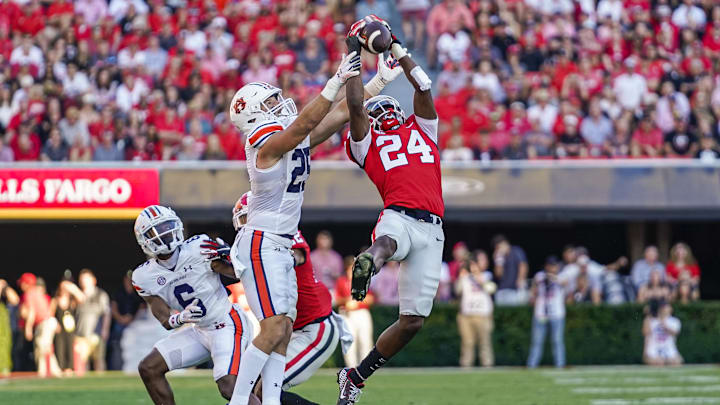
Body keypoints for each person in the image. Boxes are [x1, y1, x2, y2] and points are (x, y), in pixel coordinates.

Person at [227, 40, 402, 405]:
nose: (280, 104)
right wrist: (336, 78)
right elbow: (307, 121)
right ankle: (240, 400)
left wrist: (376, 84)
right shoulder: (262, 142)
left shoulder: (287, 139)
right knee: (275, 327)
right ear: (254, 116)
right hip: (262, 240)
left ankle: (270, 400)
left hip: (277, 240)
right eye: (271, 103)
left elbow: (337, 116)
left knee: (284, 329)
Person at [338, 16, 444, 404]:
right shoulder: (371, 142)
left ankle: (355, 376)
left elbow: (423, 85)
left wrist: (392, 45)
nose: (383, 115)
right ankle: (369, 260)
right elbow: (355, 106)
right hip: (399, 213)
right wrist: (364, 50)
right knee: (386, 241)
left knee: (412, 321)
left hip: (431, 229)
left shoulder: (420, 131)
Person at [232, 193, 353, 405]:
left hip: (315, 329)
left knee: (264, 390)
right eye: (243, 220)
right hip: (291, 331)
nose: (246, 227)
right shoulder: (255, 247)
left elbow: (296, 256)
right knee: (256, 387)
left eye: (249, 219)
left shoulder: (283, 233)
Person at [132, 205, 254, 404]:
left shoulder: (198, 248)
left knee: (229, 387)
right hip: (199, 331)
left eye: (167, 226)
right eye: (158, 230)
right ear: (145, 240)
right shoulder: (143, 277)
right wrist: (179, 318)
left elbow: (238, 274)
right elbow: (164, 318)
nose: (166, 233)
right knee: (149, 368)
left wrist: (232, 257)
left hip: (226, 321)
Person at [454, 254, 495, 368]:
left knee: (485, 343)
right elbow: (457, 291)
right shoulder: (465, 278)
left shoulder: (487, 275)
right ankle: (466, 365)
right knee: (467, 343)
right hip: (466, 315)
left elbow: (491, 289)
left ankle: (487, 365)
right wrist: (461, 276)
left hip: (483, 314)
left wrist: (478, 277)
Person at [527, 256, 566, 369]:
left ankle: (560, 364)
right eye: (550, 265)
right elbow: (533, 291)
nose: (552, 267)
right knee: (537, 341)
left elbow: (564, 283)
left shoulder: (561, 276)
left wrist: (552, 277)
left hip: (557, 314)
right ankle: (532, 365)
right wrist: (532, 297)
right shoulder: (539, 276)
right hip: (541, 313)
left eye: (554, 265)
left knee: (557, 340)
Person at [336, 257, 374, 369]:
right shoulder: (341, 281)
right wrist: (347, 300)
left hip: (362, 312)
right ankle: (351, 368)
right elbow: (337, 300)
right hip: (347, 314)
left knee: (365, 340)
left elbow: (371, 298)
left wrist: (356, 300)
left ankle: (365, 368)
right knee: (349, 342)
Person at [74, 268, 111, 374]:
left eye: (86, 279)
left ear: (93, 280)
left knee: (98, 362)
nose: (83, 281)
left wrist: (105, 330)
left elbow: (107, 314)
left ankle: (102, 387)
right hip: (80, 335)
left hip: (96, 335)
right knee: (81, 365)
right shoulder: (77, 296)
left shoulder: (101, 295)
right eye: (82, 279)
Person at [109, 271, 142, 370]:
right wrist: (121, 319)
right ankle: (117, 368)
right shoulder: (119, 292)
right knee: (116, 344)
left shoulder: (138, 293)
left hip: (134, 324)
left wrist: (132, 319)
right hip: (120, 322)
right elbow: (113, 308)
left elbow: (142, 308)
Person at [50, 278, 84, 375]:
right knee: (59, 349)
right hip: (59, 330)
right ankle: (60, 369)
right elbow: (50, 313)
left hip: (70, 330)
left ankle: (69, 370)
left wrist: (72, 288)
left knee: (69, 350)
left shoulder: (72, 301)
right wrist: (54, 323)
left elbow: (82, 299)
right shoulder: (55, 300)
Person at [491, 235, 529, 306]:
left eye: (500, 246)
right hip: (502, 290)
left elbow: (523, 265)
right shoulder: (499, 257)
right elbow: (498, 274)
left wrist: (520, 279)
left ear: (506, 243)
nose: (500, 249)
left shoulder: (516, 251)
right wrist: (498, 261)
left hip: (515, 290)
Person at [643, 301, 683, 366]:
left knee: (677, 361)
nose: (664, 309)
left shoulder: (675, 321)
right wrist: (648, 315)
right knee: (658, 362)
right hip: (654, 351)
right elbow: (646, 333)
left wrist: (662, 321)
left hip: (670, 350)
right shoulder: (651, 320)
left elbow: (675, 332)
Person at [0, 279, 20, 376]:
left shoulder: (6, 298)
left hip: (7, 329)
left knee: (7, 347)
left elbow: (15, 300)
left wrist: (5, 288)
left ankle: (5, 368)